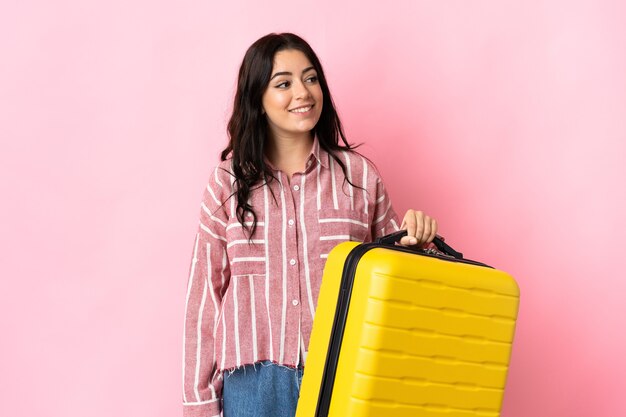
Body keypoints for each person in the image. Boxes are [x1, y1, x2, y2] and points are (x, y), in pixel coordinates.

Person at [182, 33, 438, 417]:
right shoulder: (227, 184)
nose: (302, 92)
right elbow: (203, 301)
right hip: (254, 387)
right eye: (283, 83)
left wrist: (417, 244)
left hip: (346, 375)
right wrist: (199, 403)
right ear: (258, 99)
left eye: (311, 78)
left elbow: (394, 282)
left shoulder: (359, 177)